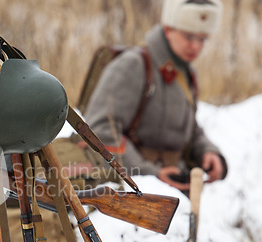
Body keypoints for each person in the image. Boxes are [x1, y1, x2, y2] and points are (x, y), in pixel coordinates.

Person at [85, 0, 227, 191]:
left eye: (202, 39)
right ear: (168, 30)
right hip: (131, 188)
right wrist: (149, 173)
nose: (195, 46)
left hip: (174, 185)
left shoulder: (187, 74)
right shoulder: (134, 65)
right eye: (188, 36)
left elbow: (188, 129)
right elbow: (100, 131)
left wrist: (207, 151)